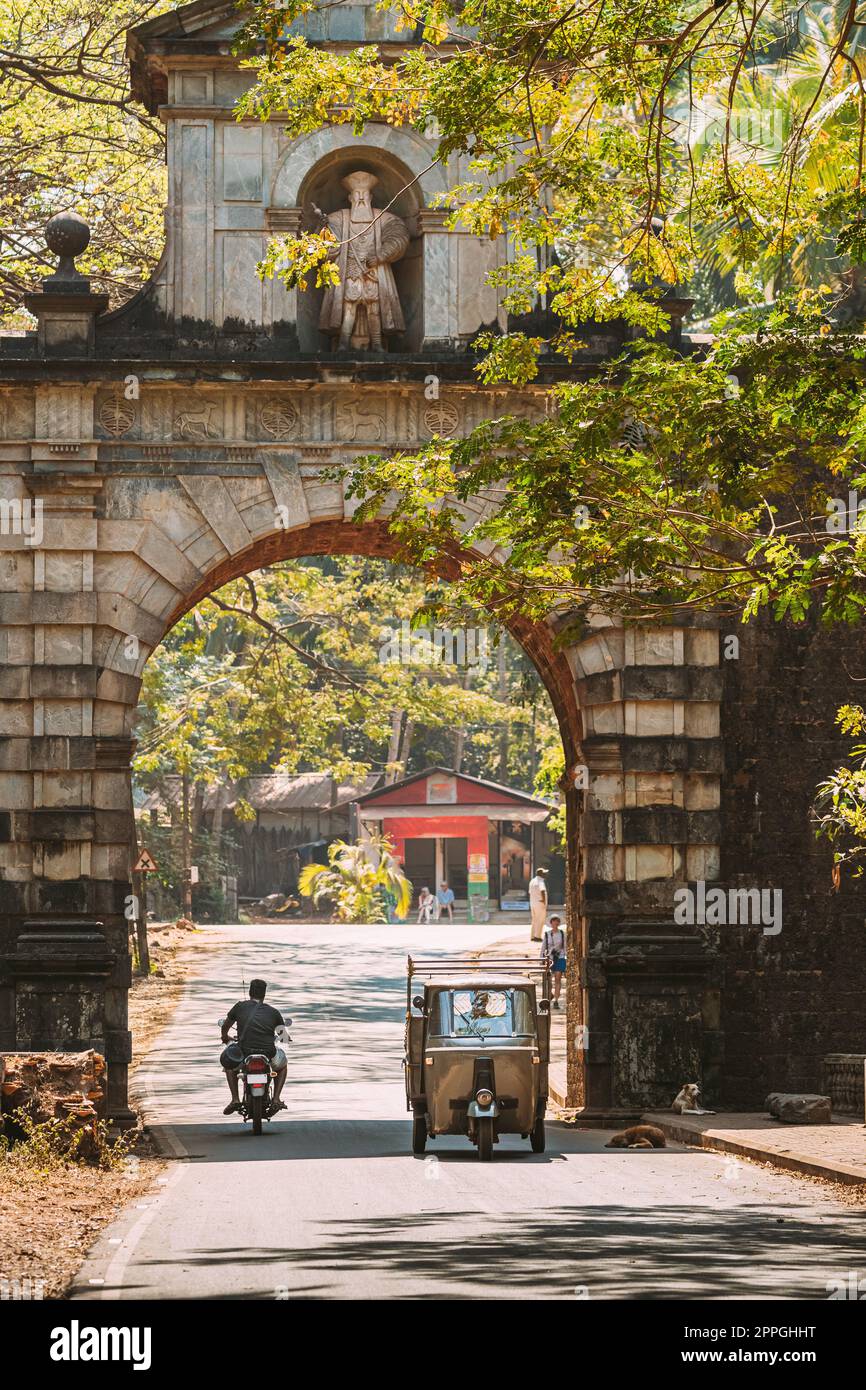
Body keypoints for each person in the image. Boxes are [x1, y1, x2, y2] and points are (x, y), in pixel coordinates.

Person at [220, 978, 287, 1116]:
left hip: (244, 1051)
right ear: (264, 994)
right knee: (282, 1066)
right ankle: (276, 1099)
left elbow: (226, 1026)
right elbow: (283, 1036)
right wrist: (283, 1038)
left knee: (229, 1065)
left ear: (250, 992)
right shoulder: (273, 1012)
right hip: (268, 1053)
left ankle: (235, 1099)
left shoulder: (239, 1006)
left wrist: (225, 1037)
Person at [541, 916, 567, 1008]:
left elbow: (565, 947)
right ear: (551, 923)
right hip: (550, 958)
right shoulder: (547, 934)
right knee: (549, 980)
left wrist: (565, 958)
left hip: (560, 957)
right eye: (554, 921)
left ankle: (556, 1000)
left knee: (558, 979)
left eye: (557, 921)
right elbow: (543, 948)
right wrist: (541, 959)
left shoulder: (562, 934)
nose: (556, 923)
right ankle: (550, 994)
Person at [528, 867, 549, 941]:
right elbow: (542, 891)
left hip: (533, 903)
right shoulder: (540, 881)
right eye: (544, 873)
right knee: (540, 920)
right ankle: (537, 936)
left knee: (534, 920)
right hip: (540, 903)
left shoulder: (532, 881)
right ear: (541, 874)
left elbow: (530, 892)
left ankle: (533, 936)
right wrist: (543, 900)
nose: (546, 874)